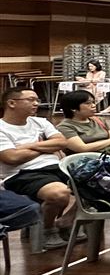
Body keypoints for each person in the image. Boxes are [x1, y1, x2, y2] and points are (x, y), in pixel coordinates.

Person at [0, 87, 73, 250]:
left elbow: (62, 142)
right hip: (22, 174)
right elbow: (11, 157)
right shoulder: (1, 128)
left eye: (37, 100)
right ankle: (47, 229)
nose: (36, 104)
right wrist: (47, 147)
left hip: (56, 166)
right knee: (59, 193)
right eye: (31, 100)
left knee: (100, 183)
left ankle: (68, 220)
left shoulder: (41, 122)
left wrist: (28, 146)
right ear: (11, 103)